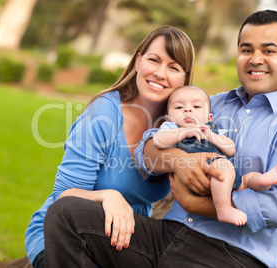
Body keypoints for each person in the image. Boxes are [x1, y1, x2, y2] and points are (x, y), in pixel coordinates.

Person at [43, 10, 277, 268]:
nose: (255, 59)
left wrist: (195, 204)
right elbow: (148, 147)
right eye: (246, 49)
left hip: (232, 255)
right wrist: (177, 159)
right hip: (166, 237)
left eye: (269, 50)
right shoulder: (211, 104)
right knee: (68, 215)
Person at [25, 26, 195, 268]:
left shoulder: (177, 128)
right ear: (138, 61)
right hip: (61, 236)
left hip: (122, 241)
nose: (160, 73)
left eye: (173, 67)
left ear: (184, 79)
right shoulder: (103, 113)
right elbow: (63, 196)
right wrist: (108, 196)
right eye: (153, 60)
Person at [153, 85, 277, 226]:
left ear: (209, 117)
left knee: (246, 179)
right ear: (168, 118)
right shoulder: (172, 128)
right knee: (224, 166)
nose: (187, 110)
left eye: (196, 106)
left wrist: (213, 137)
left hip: (224, 178)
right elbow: (158, 140)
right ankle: (223, 208)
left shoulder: (210, 129)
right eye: (179, 108)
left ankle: (261, 181)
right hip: (202, 172)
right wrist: (182, 133)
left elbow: (231, 149)